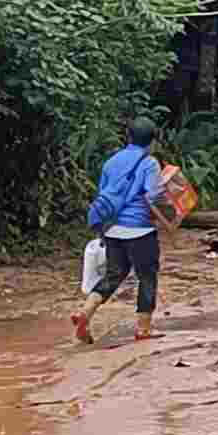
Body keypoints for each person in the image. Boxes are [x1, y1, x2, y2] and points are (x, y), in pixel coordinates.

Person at [71, 117, 179, 345]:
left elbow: (103, 194)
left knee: (114, 274)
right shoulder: (149, 163)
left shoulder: (111, 162)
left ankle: (85, 313)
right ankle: (143, 330)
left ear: (128, 138)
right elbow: (153, 196)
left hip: (112, 230)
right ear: (152, 142)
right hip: (139, 231)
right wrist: (171, 221)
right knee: (147, 277)